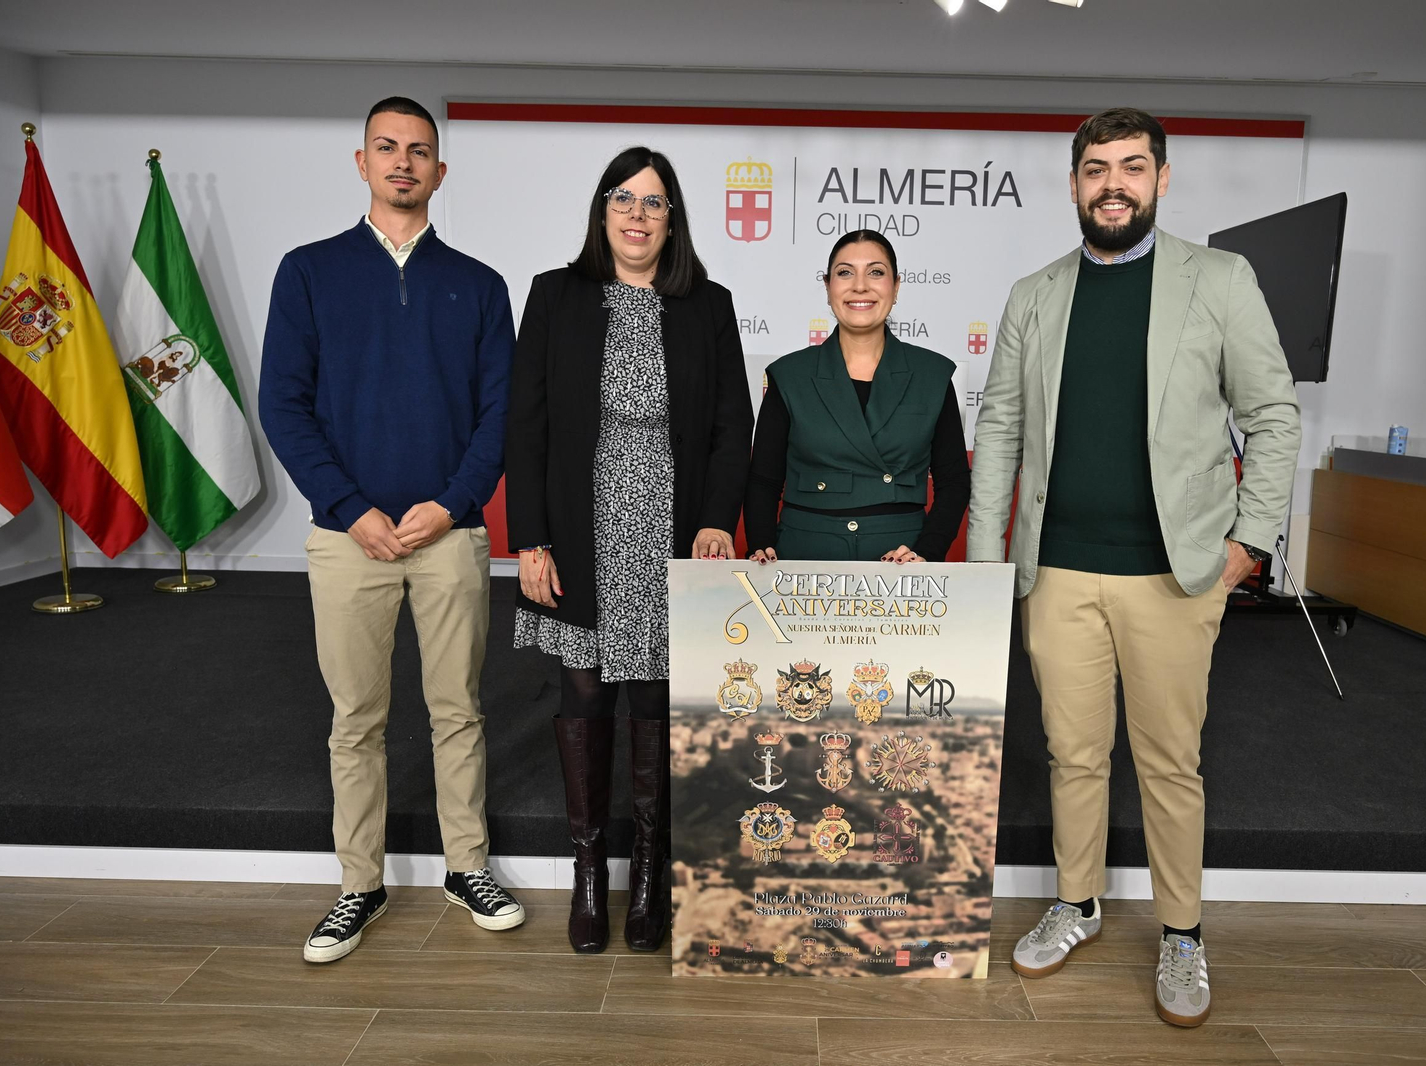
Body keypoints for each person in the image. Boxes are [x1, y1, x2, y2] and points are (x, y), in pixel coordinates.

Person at [967, 108, 1301, 1026]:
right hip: (1059, 573)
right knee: (1073, 754)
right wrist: (994, 566)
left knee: (1168, 761)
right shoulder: (1033, 293)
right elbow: (998, 429)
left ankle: (1182, 934)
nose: (1113, 183)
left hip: (1176, 576)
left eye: (1131, 167)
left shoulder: (1221, 280)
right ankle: (1076, 904)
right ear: (1073, 184)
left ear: (1161, 178)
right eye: (1096, 169)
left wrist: (1250, 546)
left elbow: (1274, 416)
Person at [260, 96, 523, 964]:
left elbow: (501, 416)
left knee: (458, 711)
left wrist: (451, 505)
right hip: (348, 538)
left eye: (419, 151)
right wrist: (351, 509)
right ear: (362, 162)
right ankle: (358, 886)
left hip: (449, 535)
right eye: (387, 148)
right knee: (356, 719)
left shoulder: (480, 285)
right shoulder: (308, 272)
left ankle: (467, 867)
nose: (403, 162)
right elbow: (283, 407)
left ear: (440, 173)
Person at [506, 147, 753, 954]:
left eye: (653, 203)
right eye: (624, 199)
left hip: (670, 525)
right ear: (602, 210)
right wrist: (531, 539)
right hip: (579, 524)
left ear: (672, 217)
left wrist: (718, 518)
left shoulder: (706, 304)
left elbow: (729, 426)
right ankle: (589, 871)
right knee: (584, 697)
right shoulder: (556, 295)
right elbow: (528, 426)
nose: (637, 215)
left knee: (653, 698)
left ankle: (648, 868)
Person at [746, 231, 968, 565]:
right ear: (827, 287)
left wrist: (927, 552)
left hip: (901, 564)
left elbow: (953, 482)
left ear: (896, 287)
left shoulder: (932, 375)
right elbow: (764, 480)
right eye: (845, 272)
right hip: (802, 561)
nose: (860, 286)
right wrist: (761, 547)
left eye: (876, 272)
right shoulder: (789, 375)